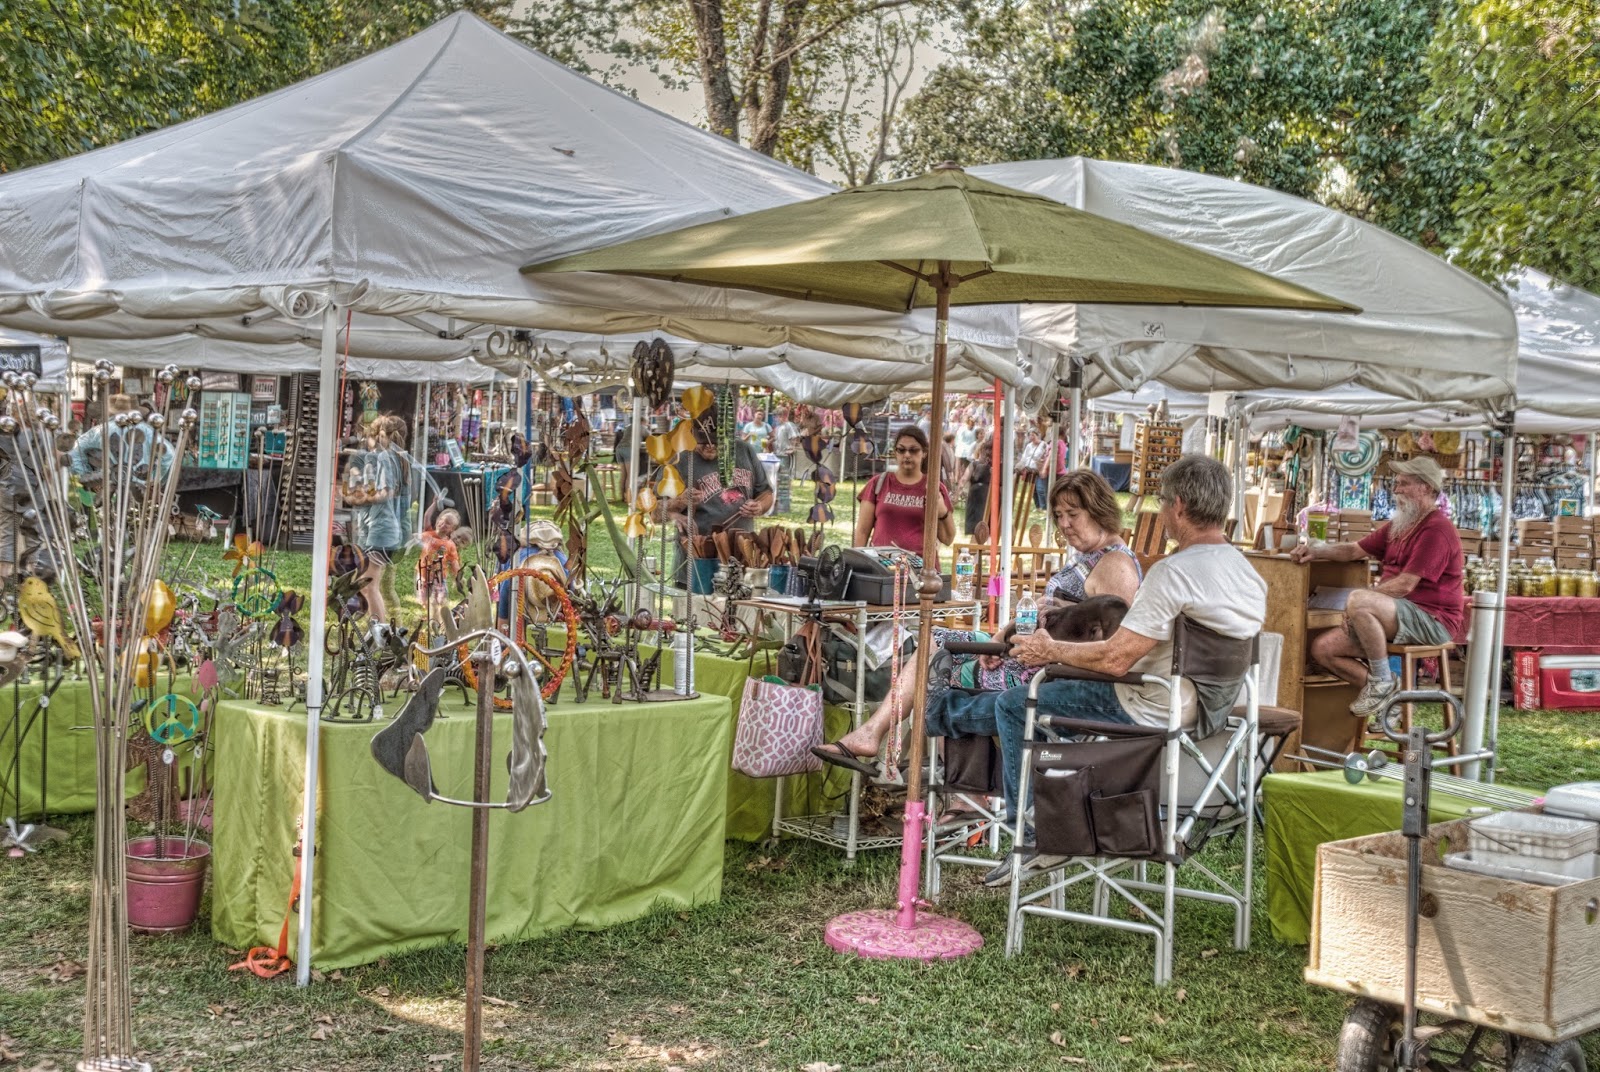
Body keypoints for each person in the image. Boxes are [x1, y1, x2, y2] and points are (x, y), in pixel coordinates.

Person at [815, 469, 1142, 777]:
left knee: (935, 658)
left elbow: (1108, 646)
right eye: (1059, 515)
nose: (1065, 524)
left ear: (1098, 510)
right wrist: (1001, 635)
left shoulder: (1115, 565)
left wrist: (1036, 636)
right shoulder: (1092, 556)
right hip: (1022, 655)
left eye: (1074, 514)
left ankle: (937, 776)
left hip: (1042, 674)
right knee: (931, 640)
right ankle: (919, 764)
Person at [1292, 456, 1463, 716]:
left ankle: (1381, 680)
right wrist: (1316, 551)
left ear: (1426, 488)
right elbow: (1353, 550)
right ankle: (1390, 699)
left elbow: (1406, 584)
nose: (1395, 490)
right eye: (1396, 484)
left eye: (1403, 484)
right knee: (1323, 649)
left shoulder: (1436, 529)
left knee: (1360, 599)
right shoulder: (1400, 525)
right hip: (1399, 616)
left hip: (1432, 621)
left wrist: (1359, 604)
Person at [659, 418, 774, 582]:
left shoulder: (744, 451)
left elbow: (766, 493)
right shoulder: (679, 459)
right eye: (703, 441)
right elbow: (653, 511)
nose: (710, 446)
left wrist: (760, 505)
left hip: (742, 557)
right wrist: (678, 504)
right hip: (697, 561)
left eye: (716, 441)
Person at [854, 425, 953, 558]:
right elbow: (862, 532)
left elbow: (948, 539)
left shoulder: (934, 487)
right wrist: (857, 563)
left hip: (920, 570)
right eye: (901, 450)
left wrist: (942, 513)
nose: (907, 455)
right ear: (895, 452)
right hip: (882, 568)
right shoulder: (878, 483)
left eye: (913, 450)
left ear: (924, 453)